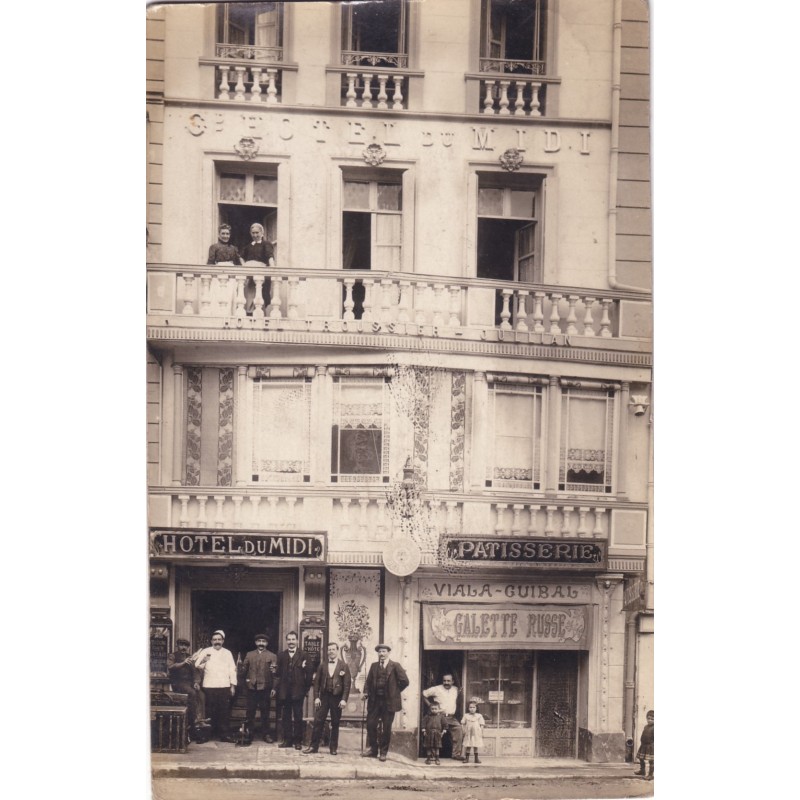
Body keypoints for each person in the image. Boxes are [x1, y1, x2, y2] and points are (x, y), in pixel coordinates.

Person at [362, 643, 409, 762]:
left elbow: (405, 681)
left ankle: (383, 752)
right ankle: (373, 749)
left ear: (388, 652)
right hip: (375, 701)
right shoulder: (374, 666)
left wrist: (395, 692)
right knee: (370, 724)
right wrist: (365, 692)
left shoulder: (395, 665)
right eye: (379, 652)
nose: (381, 654)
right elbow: (368, 682)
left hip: (389, 702)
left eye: (384, 651)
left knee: (386, 728)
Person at [303, 642, 352, 755]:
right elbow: (316, 684)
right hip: (324, 697)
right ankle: (313, 747)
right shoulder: (322, 665)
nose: (331, 652)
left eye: (333, 649)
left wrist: (344, 699)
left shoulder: (344, 666)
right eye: (329, 650)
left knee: (335, 722)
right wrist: (316, 698)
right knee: (318, 721)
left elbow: (347, 685)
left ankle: (333, 748)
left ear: (337, 650)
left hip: (337, 698)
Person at [194, 630, 237, 742]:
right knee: (209, 711)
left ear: (223, 641)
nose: (217, 642)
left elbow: (232, 670)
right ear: (211, 641)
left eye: (219, 639)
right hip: (209, 685)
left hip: (224, 685)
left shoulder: (227, 653)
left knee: (224, 711)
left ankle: (224, 735)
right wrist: (204, 659)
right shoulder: (206, 651)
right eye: (214, 640)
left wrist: (232, 686)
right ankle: (206, 735)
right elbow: (198, 665)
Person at [272, 630, 314, 749]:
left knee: (298, 716)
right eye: (289, 639)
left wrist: (305, 689)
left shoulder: (304, 655)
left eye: (293, 639)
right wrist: (277, 688)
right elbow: (278, 674)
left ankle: (298, 742)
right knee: (286, 716)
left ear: (297, 640)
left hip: (298, 691)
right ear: (286, 641)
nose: (291, 642)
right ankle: (287, 740)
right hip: (284, 692)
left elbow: (309, 673)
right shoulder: (281, 655)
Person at [242, 633, 278, 743]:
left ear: (266, 643)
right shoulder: (249, 654)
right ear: (256, 643)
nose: (261, 644)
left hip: (265, 688)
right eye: (259, 641)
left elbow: (275, 674)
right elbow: (243, 670)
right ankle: (249, 734)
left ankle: (266, 734)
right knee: (250, 712)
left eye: (263, 642)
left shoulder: (272, 656)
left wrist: (274, 688)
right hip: (251, 688)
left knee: (265, 712)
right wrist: (246, 681)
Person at [167, 638, 206, 737]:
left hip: (189, 683)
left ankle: (199, 720)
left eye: (186, 645)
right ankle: (192, 722)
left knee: (202, 695)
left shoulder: (190, 657)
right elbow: (170, 667)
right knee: (192, 693)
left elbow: (195, 671)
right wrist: (183, 662)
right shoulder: (172, 656)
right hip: (178, 683)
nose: (183, 647)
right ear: (177, 645)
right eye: (181, 645)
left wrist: (197, 682)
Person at [422, 672, 465, 761]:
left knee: (459, 730)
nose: (446, 683)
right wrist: (430, 705)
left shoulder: (456, 689)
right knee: (434, 734)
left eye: (448, 681)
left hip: (451, 717)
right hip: (438, 717)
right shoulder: (436, 689)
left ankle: (456, 754)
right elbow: (423, 694)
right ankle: (433, 756)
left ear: (453, 681)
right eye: (444, 681)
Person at [242, 222, 275, 314]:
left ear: (262, 233)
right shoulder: (249, 246)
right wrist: (244, 265)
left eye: (257, 232)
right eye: (253, 233)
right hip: (249, 272)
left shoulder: (266, 244)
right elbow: (241, 257)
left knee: (260, 293)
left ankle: (260, 313)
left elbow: (270, 256)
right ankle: (249, 312)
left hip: (260, 271)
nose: (255, 235)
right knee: (249, 293)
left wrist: (273, 268)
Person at [460, 699, 486, 764]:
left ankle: (476, 759)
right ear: (468, 708)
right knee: (468, 745)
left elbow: (482, 724)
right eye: (470, 707)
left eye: (473, 707)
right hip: (468, 733)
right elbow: (462, 724)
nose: (472, 709)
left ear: (476, 708)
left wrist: (481, 732)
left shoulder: (479, 716)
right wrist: (463, 731)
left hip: (476, 732)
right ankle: (467, 758)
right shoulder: (466, 715)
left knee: (475, 745)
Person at [421, 700, 444, 765]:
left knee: (437, 746)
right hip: (429, 733)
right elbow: (423, 723)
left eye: (435, 709)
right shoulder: (427, 716)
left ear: (439, 709)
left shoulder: (441, 717)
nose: (434, 710)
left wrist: (443, 731)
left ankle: (437, 759)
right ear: (430, 709)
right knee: (428, 746)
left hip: (437, 733)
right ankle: (428, 759)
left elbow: (445, 724)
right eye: (432, 709)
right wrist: (424, 730)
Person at [634, 710, 654, 780]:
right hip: (643, 745)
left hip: (651, 746)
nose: (650, 720)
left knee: (651, 761)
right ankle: (642, 770)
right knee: (641, 758)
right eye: (648, 718)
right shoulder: (646, 727)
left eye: (652, 719)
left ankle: (651, 775)